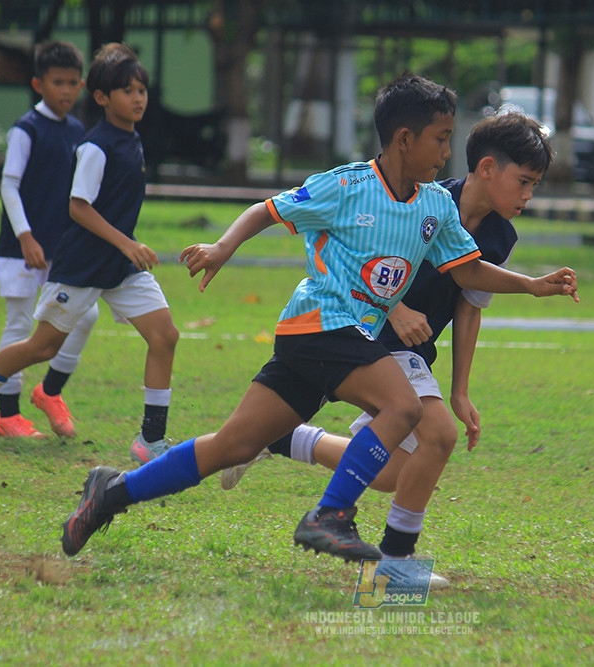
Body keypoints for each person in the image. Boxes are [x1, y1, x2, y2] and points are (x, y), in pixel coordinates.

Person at [59, 72, 577, 564]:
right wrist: (222, 246)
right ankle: (331, 516)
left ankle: (112, 491)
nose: (447, 152)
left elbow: (467, 271)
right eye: (441, 139)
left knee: (231, 445)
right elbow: (269, 209)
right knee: (404, 406)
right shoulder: (348, 186)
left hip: (339, 342)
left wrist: (531, 285)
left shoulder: (434, 206)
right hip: (319, 323)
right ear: (403, 139)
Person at [216, 112, 554, 587]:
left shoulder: (501, 237)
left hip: (413, 350)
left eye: (533, 185)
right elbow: (370, 256)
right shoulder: (430, 195)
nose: (527, 196)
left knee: (393, 471)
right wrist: (394, 309)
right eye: (523, 182)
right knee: (437, 437)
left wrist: (461, 390)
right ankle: (395, 562)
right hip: (371, 333)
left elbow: (469, 304)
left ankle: (283, 439)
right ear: (487, 169)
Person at [0, 43, 179, 464]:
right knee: (41, 347)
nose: (138, 98)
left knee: (165, 336)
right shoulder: (96, 147)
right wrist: (126, 241)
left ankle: (151, 440)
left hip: (119, 267)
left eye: (142, 90)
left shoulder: (133, 139)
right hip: (82, 265)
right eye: (128, 91)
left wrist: (125, 249)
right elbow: (78, 206)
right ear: (103, 98)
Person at [0, 40, 98, 440]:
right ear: (39, 83)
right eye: (58, 82)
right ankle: (7, 416)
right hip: (20, 248)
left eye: (73, 82)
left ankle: (50, 391)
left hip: (60, 249)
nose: (67, 90)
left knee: (85, 315)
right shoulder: (26, 130)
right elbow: (9, 185)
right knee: (19, 326)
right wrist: (25, 235)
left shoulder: (77, 131)